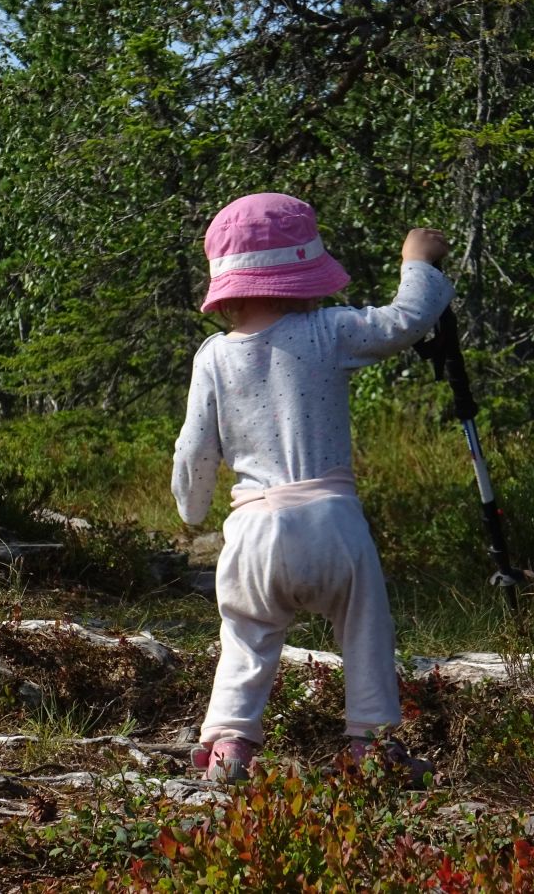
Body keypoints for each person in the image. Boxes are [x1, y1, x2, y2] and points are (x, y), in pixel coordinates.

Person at [172, 191, 452, 785]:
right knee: (363, 627)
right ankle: (370, 745)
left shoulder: (213, 358)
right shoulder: (330, 330)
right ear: (304, 275)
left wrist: (192, 512)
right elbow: (405, 321)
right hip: (331, 522)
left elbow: (194, 450)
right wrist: (419, 263)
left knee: (245, 639)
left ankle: (228, 747)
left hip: (252, 529)